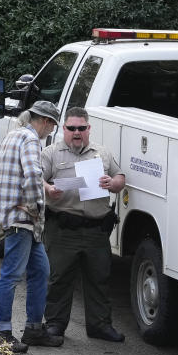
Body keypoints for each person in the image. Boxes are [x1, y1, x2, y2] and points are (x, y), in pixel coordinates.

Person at [41, 107, 127, 342]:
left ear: (88, 129)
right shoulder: (51, 153)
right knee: (59, 279)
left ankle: (100, 326)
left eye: (81, 128)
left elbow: (120, 177)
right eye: (71, 128)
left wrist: (113, 183)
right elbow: (35, 179)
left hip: (96, 230)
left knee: (99, 278)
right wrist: (48, 188)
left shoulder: (102, 153)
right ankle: (55, 325)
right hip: (63, 229)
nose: (76, 133)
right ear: (64, 129)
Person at [0, 100, 65, 353]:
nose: (50, 132)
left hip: (20, 220)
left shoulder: (11, 136)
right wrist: (35, 205)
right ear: (44, 121)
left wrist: (5, 200)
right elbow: (34, 175)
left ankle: (33, 329)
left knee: (41, 271)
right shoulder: (32, 139)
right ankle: (0, 331)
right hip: (23, 220)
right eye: (52, 126)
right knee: (11, 275)